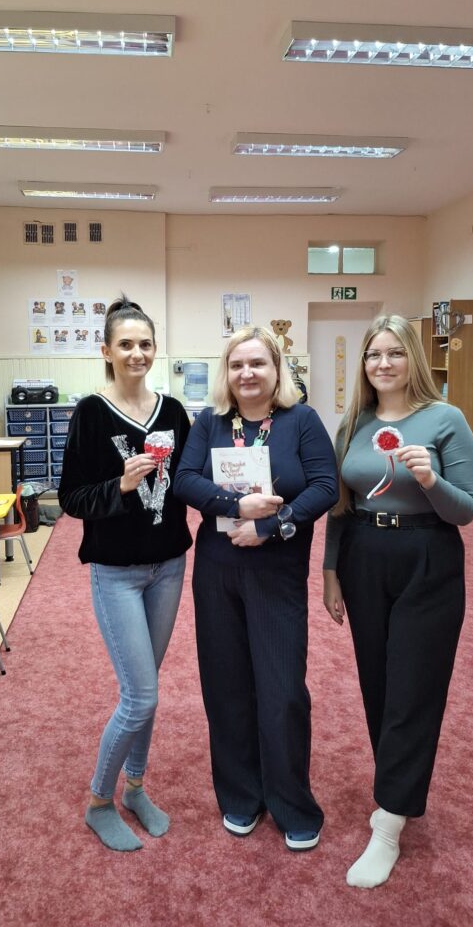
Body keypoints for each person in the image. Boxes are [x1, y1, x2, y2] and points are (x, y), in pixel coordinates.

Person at [322, 314, 473, 888]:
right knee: (379, 684)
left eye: (394, 353)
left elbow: (468, 509)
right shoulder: (354, 422)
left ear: (412, 357)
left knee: (414, 687)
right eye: (373, 354)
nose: (383, 363)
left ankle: (388, 824)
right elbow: (340, 505)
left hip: (427, 558)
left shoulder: (445, 419)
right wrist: (330, 571)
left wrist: (432, 481)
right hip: (364, 556)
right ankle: (398, 789)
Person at [174, 326, 338, 851]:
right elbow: (184, 479)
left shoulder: (301, 420)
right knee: (226, 685)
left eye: (258, 363)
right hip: (218, 569)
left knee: (283, 690)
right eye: (237, 364)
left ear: (276, 369)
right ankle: (241, 795)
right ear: (227, 372)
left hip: (277, 571)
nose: (247, 373)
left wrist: (271, 525)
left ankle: (292, 803)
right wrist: (234, 506)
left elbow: (326, 486)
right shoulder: (210, 420)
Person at [58, 296, 192, 852]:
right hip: (116, 572)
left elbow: (190, 480)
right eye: (126, 344)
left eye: (146, 344)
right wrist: (121, 486)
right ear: (106, 351)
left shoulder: (174, 411)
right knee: (140, 696)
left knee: (148, 690)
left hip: (169, 567)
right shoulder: (91, 413)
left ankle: (135, 788)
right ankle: (99, 802)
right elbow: (70, 498)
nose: (137, 353)